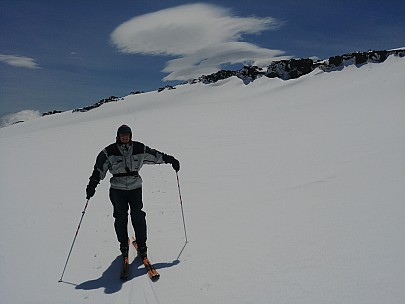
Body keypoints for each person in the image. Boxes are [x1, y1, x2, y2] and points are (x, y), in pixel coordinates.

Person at [85, 124, 180, 260]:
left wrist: (170, 159)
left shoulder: (139, 148)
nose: (125, 137)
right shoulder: (108, 152)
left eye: (127, 135)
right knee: (120, 217)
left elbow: (154, 155)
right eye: (122, 135)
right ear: (118, 136)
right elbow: (99, 169)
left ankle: (142, 245)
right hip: (117, 190)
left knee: (138, 216)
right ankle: (123, 245)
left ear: (130, 136)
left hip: (135, 188)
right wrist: (92, 185)